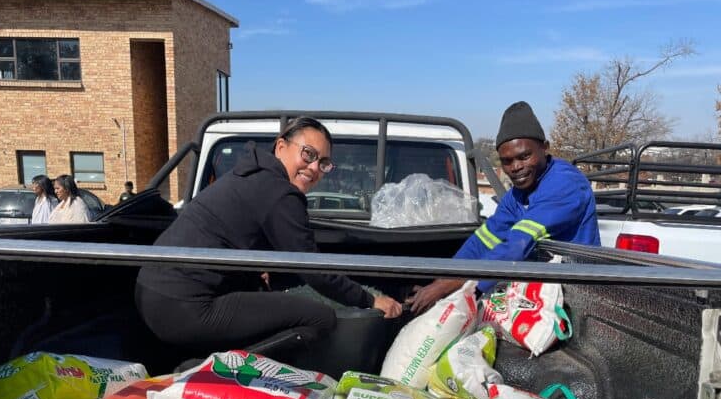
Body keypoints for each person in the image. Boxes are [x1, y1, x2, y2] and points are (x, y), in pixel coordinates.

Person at [136, 116, 403, 352]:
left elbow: (235, 235)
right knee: (321, 317)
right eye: (308, 154)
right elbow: (313, 269)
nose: (313, 168)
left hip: (152, 293)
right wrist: (370, 300)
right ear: (281, 146)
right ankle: (219, 374)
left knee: (267, 292)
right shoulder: (279, 193)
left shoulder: (251, 174)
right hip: (184, 306)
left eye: (323, 163)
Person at [406, 101, 600, 314]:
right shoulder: (517, 194)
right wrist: (443, 278)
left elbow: (517, 244)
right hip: (536, 296)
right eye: (507, 161)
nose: (516, 167)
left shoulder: (565, 184)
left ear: (545, 148)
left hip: (575, 302)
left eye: (524, 156)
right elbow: (484, 240)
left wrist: (452, 284)